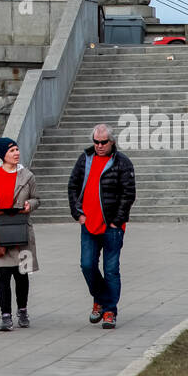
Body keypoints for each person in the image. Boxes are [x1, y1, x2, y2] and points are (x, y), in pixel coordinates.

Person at [67, 121, 136, 330]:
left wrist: (117, 221)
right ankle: (100, 297)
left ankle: (109, 311)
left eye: (103, 142)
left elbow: (128, 194)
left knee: (111, 270)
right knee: (87, 265)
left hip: (111, 226)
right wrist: (77, 214)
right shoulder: (85, 159)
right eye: (96, 142)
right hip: (88, 224)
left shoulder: (122, 163)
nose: (99, 145)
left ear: (112, 141)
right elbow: (73, 185)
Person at [0, 136, 39, 331]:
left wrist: (31, 204)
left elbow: (37, 198)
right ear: (3, 154)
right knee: (2, 274)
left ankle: (22, 310)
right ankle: (5, 315)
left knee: (22, 274)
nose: (16, 153)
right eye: (12, 151)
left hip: (22, 229)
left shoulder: (27, 176)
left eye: (17, 150)